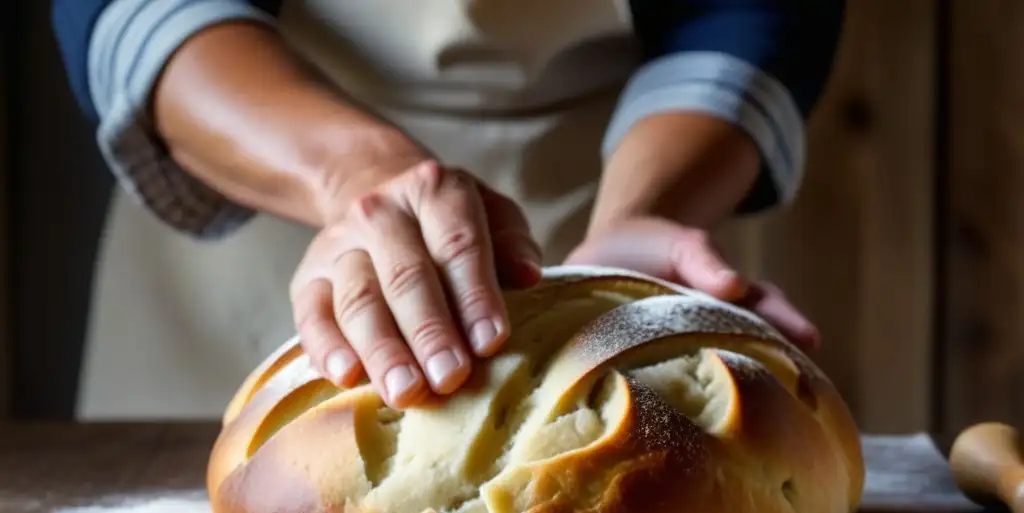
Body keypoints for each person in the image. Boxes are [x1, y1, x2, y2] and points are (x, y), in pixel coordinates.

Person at [51, 0, 843, 417]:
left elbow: (751, 11)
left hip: (610, 171)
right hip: (258, 179)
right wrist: (356, 174)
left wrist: (645, 210)